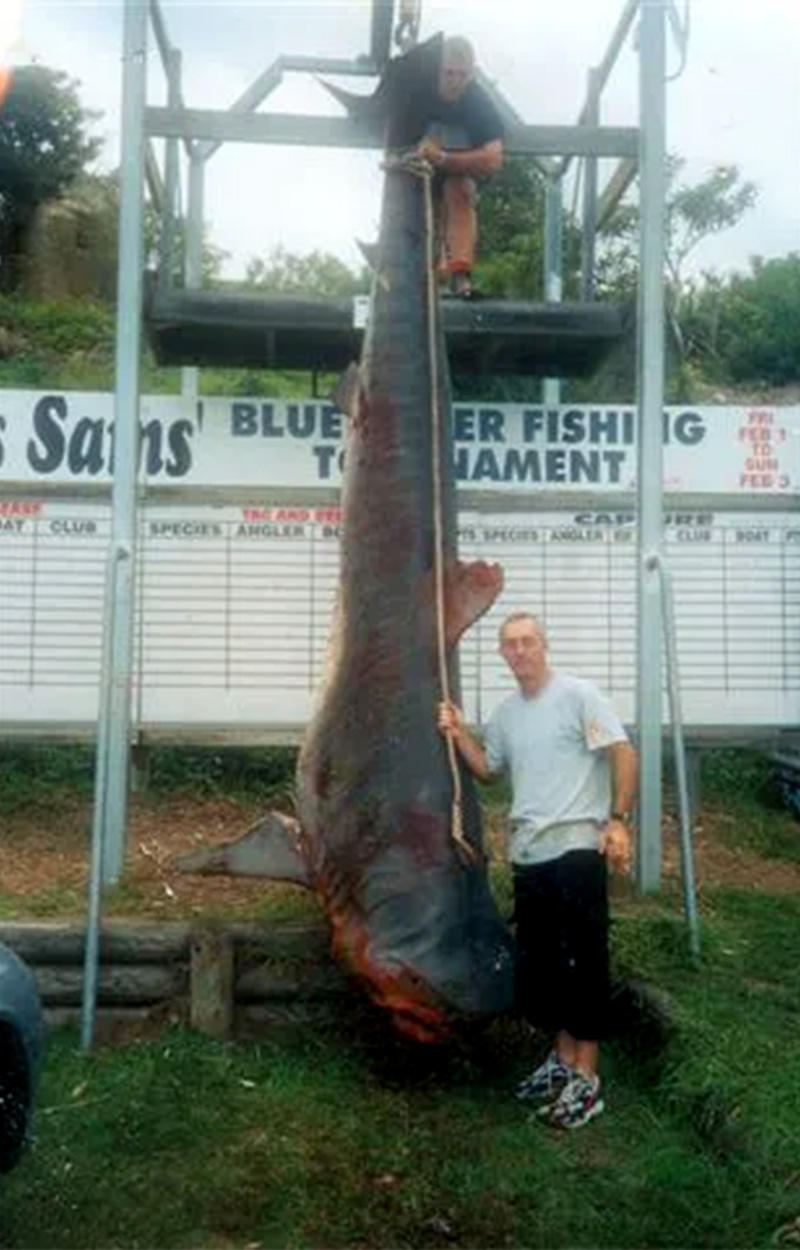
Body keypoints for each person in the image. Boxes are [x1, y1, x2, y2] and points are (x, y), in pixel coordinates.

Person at [438, 611, 638, 1130]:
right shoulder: (505, 714)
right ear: (504, 654)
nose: (519, 650)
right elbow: (488, 771)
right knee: (547, 964)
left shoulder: (578, 696)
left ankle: (587, 1080)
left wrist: (617, 820)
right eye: (510, 644)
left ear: (543, 645)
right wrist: (458, 733)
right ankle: (563, 1062)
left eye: (528, 641)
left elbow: (622, 753)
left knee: (583, 961)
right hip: (529, 854)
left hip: (576, 847)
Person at [412, 36, 505, 297]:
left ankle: (459, 275)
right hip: (417, 174)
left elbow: (493, 159)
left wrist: (441, 157)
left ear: (471, 74)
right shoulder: (417, 91)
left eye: (462, 75)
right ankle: (422, 271)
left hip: (455, 174)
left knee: (460, 189)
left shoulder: (477, 102)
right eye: (448, 73)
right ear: (437, 70)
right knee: (414, 194)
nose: (454, 81)